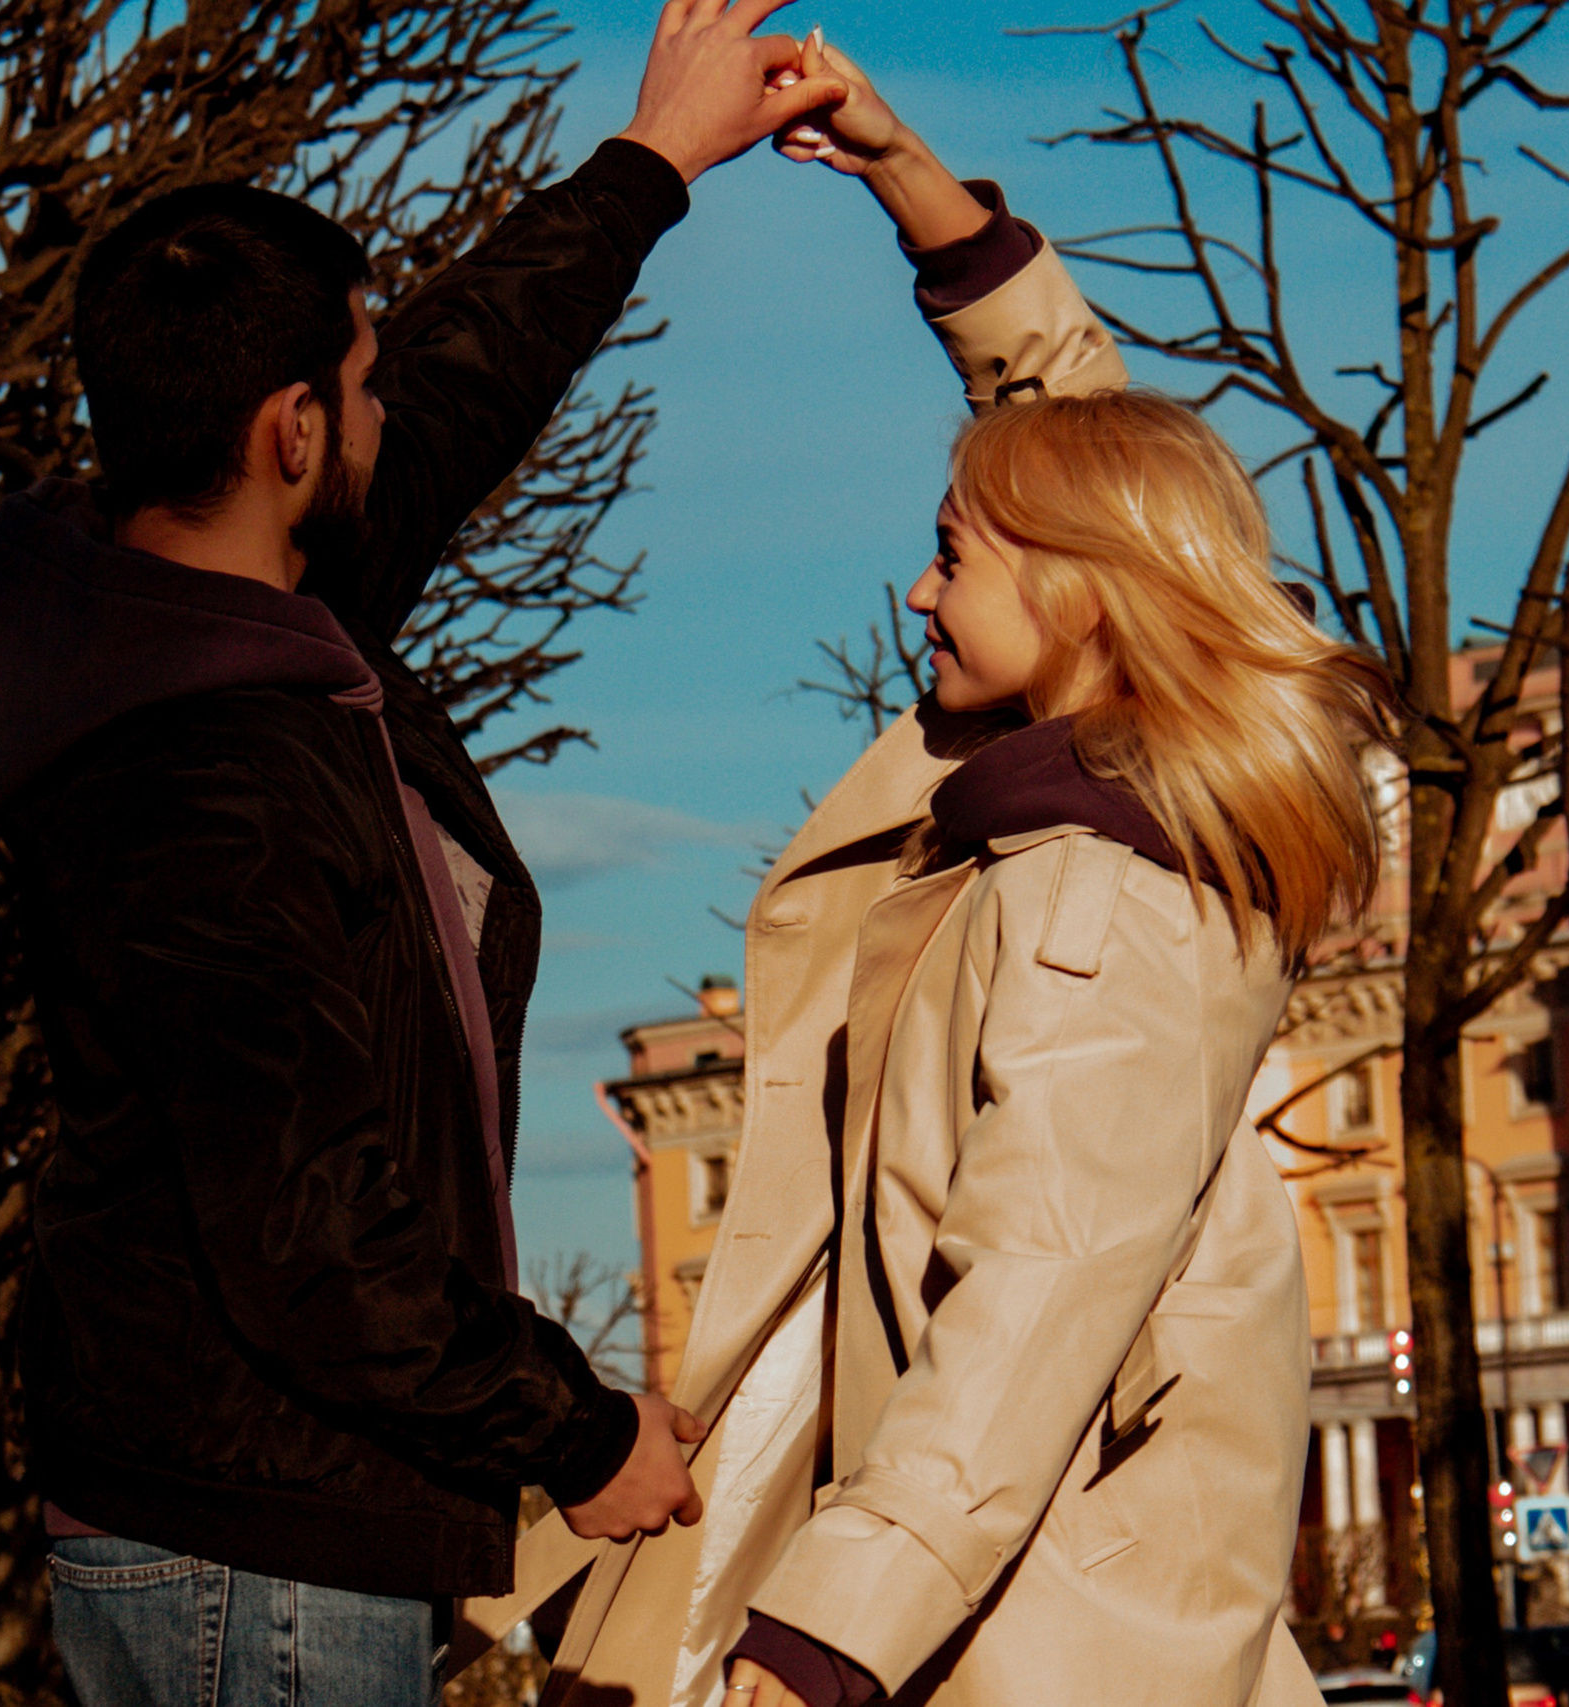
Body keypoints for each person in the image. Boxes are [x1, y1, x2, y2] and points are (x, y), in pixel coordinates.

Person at [472, 40, 1391, 1707]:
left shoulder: (1111, 897)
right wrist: (905, 173)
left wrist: (833, 1633)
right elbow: (1077, 440)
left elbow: (1034, 1294)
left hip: (1023, 1617)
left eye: (955, 555)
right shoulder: (1057, 803)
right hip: (942, 1544)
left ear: (1088, 600)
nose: (913, 589)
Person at [0, 7, 848, 1706]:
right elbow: (311, 1231)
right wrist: (574, 1435)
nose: (386, 415)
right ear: (289, 430)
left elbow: (457, 382)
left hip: (251, 1511)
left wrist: (651, 163)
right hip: (262, 1544)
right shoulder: (205, 764)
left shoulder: (197, 619)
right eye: (353, 390)